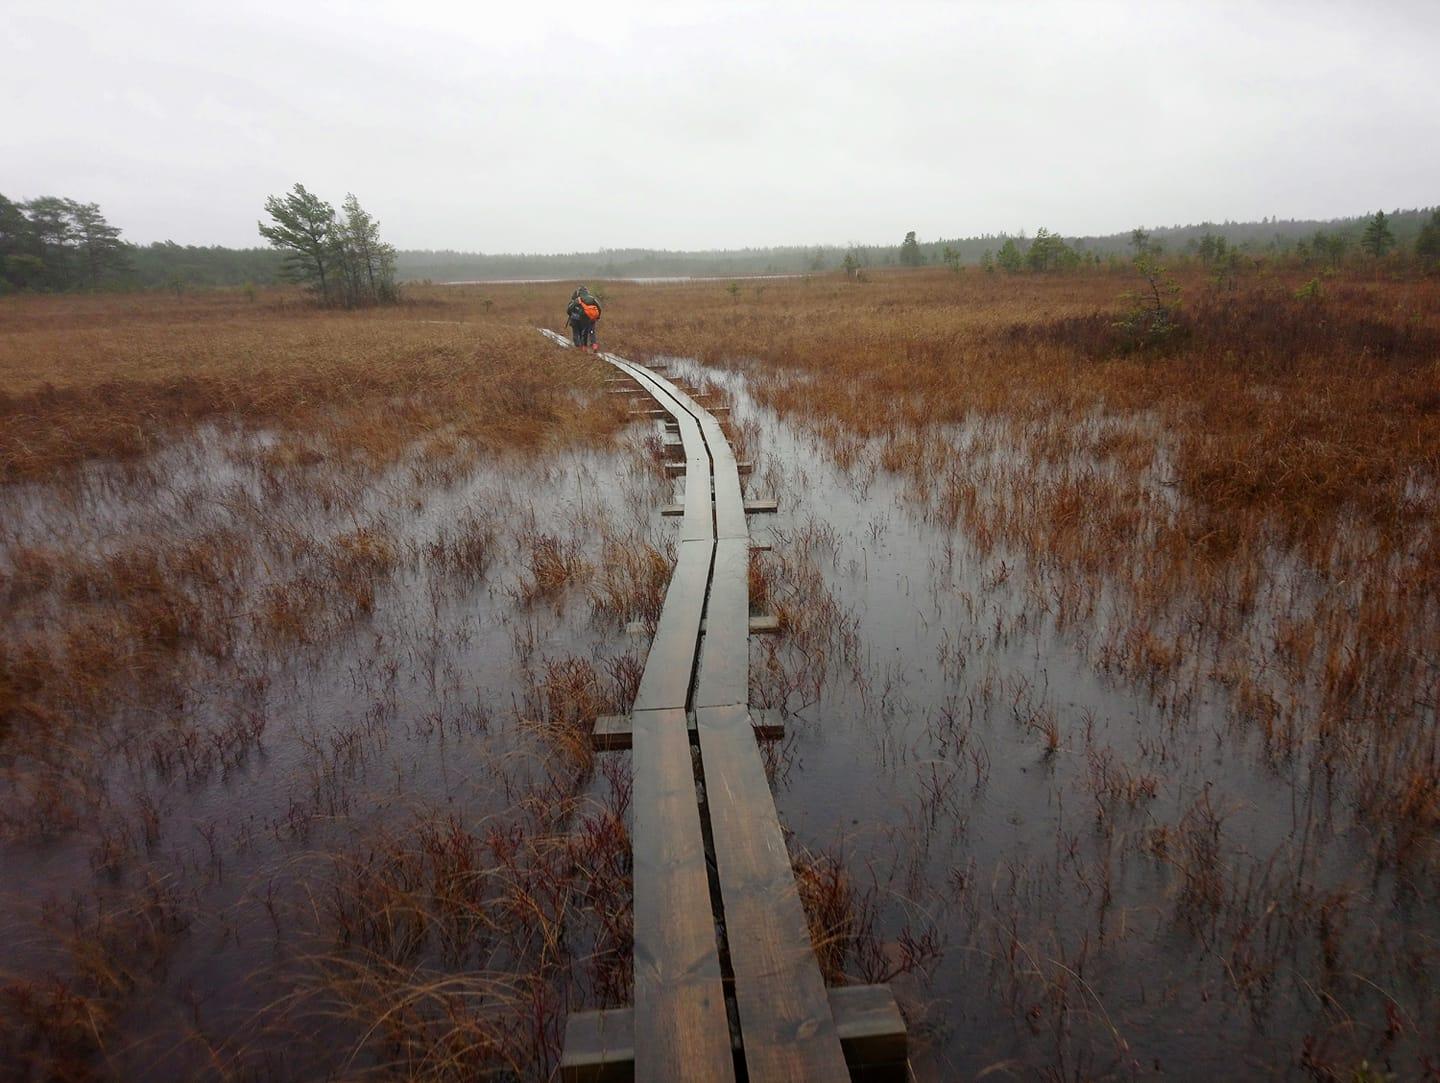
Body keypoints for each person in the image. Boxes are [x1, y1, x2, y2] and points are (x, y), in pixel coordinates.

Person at [565, 285, 602, 351]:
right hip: (591, 318)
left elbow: (569, 310)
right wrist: (597, 317)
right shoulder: (591, 299)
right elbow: (599, 308)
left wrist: (572, 315)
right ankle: (594, 345)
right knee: (591, 332)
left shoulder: (577, 300)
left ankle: (581, 347)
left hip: (578, 320)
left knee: (577, 333)